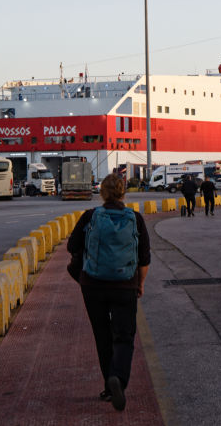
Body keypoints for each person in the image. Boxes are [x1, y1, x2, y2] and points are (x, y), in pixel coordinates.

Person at [67, 173, 151, 411]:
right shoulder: (135, 219)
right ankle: (118, 380)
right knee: (124, 337)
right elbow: (144, 257)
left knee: (102, 336)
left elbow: (72, 246)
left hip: (92, 286)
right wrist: (140, 283)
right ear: (123, 192)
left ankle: (108, 387)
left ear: (101, 193)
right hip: (125, 285)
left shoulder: (90, 216)